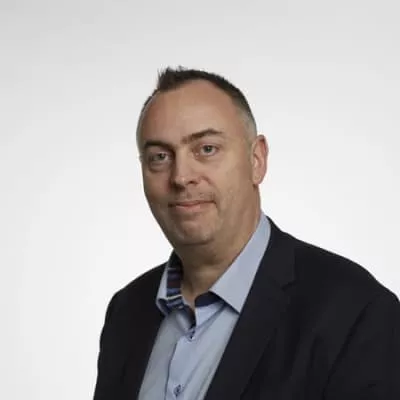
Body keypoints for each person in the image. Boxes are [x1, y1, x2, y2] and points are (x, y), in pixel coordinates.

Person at [93, 67, 400, 400]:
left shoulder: (355, 312)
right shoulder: (126, 312)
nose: (181, 177)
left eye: (206, 149)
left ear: (257, 160)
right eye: (160, 157)